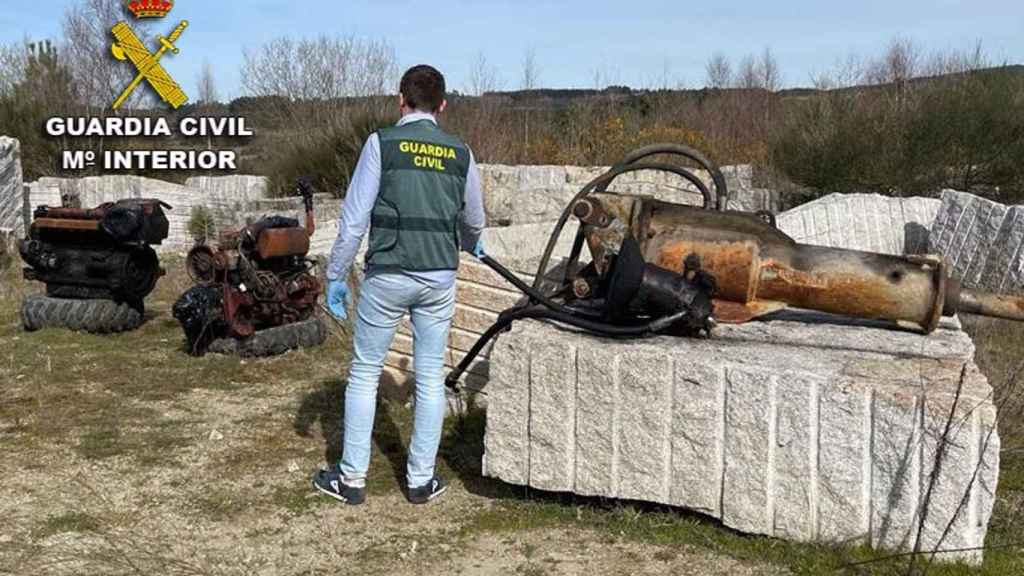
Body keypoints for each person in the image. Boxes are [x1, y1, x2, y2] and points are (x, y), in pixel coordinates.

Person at [312, 65, 486, 506]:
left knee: (365, 372)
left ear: (400, 100)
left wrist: (335, 275)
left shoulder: (381, 144)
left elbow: (354, 221)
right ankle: (420, 482)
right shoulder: (460, 152)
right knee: (430, 377)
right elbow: (473, 220)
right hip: (438, 278)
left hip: (388, 275)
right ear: (442, 105)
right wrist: (470, 244)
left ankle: (351, 481)